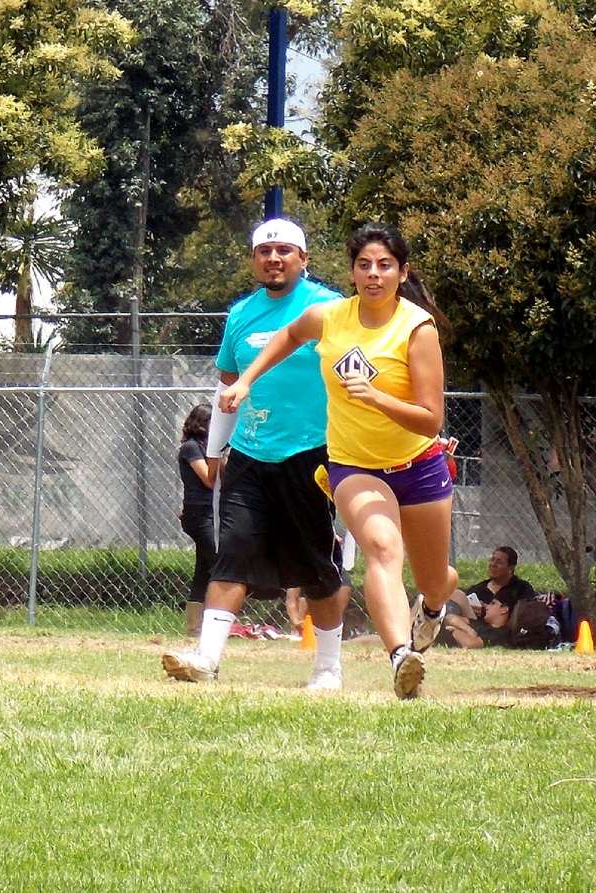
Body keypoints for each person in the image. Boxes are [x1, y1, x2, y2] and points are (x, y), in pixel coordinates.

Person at [220, 221, 458, 699]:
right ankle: (400, 657)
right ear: (352, 273)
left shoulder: (417, 328)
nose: (373, 274)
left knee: (436, 579)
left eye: (385, 266)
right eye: (364, 265)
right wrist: (245, 381)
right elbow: (286, 336)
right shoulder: (329, 317)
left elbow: (431, 421)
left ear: (401, 272)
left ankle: (432, 608)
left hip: (417, 464)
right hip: (352, 465)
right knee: (382, 549)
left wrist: (375, 398)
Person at [162, 219, 352, 691]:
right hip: (248, 456)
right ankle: (207, 659)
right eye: (264, 251)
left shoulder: (329, 308)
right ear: (253, 260)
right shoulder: (240, 315)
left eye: (284, 250)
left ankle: (328, 669)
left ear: (303, 259)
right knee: (231, 554)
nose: (274, 258)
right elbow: (228, 389)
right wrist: (215, 454)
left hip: (313, 455)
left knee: (317, 565)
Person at [177, 403, 214, 637]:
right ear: (201, 424)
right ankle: (216, 620)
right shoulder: (191, 448)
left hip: (210, 513)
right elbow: (209, 479)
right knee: (220, 561)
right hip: (198, 514)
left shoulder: (207, 447)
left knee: (204, 569)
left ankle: (195, 628)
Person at [457, 546, 537, 620]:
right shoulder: (477, 590)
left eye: (499, 562)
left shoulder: (522, 589)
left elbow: (526, 617)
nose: (493, 565)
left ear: (510, 568)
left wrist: (486, 612)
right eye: (492, 560)